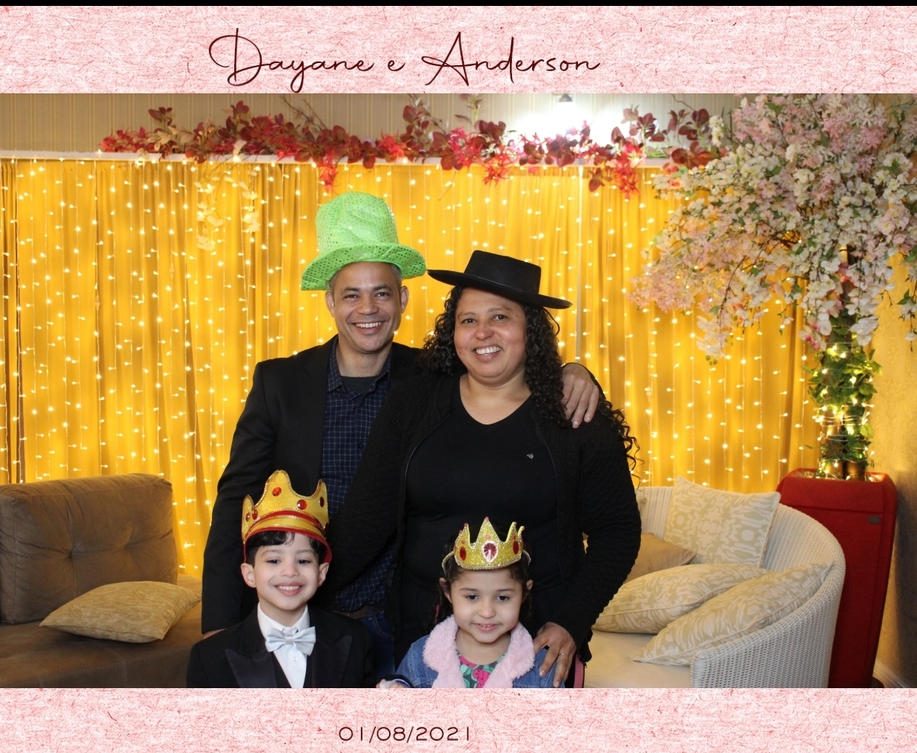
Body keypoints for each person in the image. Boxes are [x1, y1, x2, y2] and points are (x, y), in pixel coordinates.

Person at [200, 193, 603, 681]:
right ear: (330, 302)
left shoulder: (434, 379)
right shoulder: (280, 384)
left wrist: (572, 372)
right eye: (351, 295)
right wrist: (220, 622)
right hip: (308, 611)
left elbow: (506, 363)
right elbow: (236, 502)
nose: (367, 308)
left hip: (406, 622)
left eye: (382, 293)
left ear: (403, 299)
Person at [321, 250, 642, 688]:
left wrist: (572, 622)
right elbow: (366, 520)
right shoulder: (413, 404)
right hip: (423, 640)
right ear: (453, 331)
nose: (483, 332)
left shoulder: (574, 416)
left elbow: (618, 533)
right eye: (468, 320)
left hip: (538, 646)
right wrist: (298, 590)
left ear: (530, 328)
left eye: (500, 317)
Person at [187, 470, 375, 688]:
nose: (290, 571)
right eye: (274, 560)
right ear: (249, 574)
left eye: (303, 561)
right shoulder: (209, 657)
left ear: (321, 573)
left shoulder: (356, 639)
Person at [381, 519, 556, 688]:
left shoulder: (542, 667)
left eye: (503, 598)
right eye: (472, 597)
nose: (487, 612)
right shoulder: (419, 658)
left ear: (525, 593)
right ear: (447, 591)